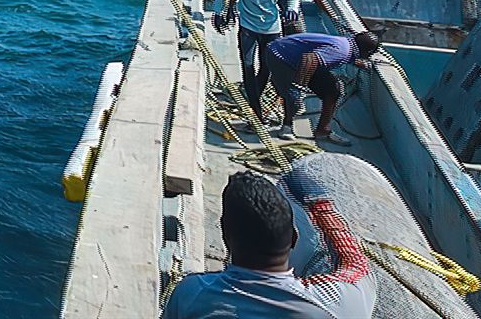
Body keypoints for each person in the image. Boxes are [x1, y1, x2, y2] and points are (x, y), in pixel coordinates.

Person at [160, 167, 375, 319]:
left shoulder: (192, 293)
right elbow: (356, 265)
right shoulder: (335, 304)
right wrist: (321, 207)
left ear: (225, 236)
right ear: (294, 238)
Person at [214, 0, 302, 128]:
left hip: (272, 27)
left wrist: (292, 9)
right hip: (247, 26)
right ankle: (256, 113)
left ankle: (253, 104)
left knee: (266, 67)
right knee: (247, 65)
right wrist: (218, 11)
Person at [267, 31, 384, 144]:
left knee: (333, 90)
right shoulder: (343, 51)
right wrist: (299, 86)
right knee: (292, 95)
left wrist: (356, 62)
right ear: (367, 51)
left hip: (302, 59)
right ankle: (287, 126)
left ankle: (323, 130)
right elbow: (310, 58)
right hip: (282, 55)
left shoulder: (348, 46)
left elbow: (327, 55)